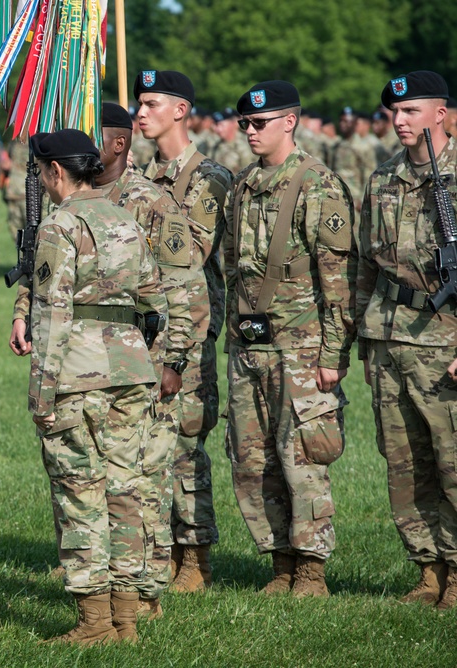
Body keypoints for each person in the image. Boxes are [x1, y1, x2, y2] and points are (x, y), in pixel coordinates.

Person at [21, 128, 166, 645]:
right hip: (130, 370)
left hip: (77, 376)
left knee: (80, 493)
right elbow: (155, 300)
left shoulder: (60, 225)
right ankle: (128, 615)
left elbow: (52, 313)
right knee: (126, 491)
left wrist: (41, 390)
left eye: (41, 172)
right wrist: (148, 357)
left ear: (56, 172)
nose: (42, 180)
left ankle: (96, 622)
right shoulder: (122, 216)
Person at [223, 80, 356, 597]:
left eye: (260, 123)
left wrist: (331, 355)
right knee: (252, 459)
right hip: (249, 344)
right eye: (246, 124)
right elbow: (234, 267)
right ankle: (280, 563)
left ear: (289, 122)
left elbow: (338, 282)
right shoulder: (242, 185)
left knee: (303, 456)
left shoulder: (318, 184)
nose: (251, 132)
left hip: (299, 347)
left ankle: (311, 570)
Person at [95, 102, 203, 617]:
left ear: (119, 144)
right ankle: (111, 578)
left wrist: (174, 362)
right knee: (103, 476)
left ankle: (147, 588)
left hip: (148, 359)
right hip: (93, 364)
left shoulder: (153, 203)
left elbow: (186, 291)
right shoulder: (76, 201)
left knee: (147, 477)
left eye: (90, 134)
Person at [357, 70, 457, 610]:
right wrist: (359, 335)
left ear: (439, 114)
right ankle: (428, 570)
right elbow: (365, 268)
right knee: (403, 462)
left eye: (410, 111)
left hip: (445, 341)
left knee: (452, 460)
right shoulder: (383, 179)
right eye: (393, 113)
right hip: (388, 336)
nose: (398, 121)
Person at [136, 69, 233, 592]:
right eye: (139, 104)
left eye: (152, 104)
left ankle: (195, 554)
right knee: (148, 441)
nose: (141, 113)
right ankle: (158, 548)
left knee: (186, 444)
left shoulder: (209, 178)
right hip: (145, 326)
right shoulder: (140, 176)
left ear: (180, 110)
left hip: (189, 328)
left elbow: (189, 251)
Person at [331, 107, 378, 208]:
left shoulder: (363, 146)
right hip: (337, 196)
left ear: (355, 123)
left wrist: (363, 200)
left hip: (355, 199)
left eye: (347, 121)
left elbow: (369, 175)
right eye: (341, 120)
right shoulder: (337, 146)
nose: (342, 124)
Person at [0, 135, 29, 242]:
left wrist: (13, 165)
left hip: (27, 194)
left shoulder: (34, 142)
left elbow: (38, 167)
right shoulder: (13, 143)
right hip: (13, 193)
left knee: (31, 233)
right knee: (16, 234)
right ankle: (22, 258)